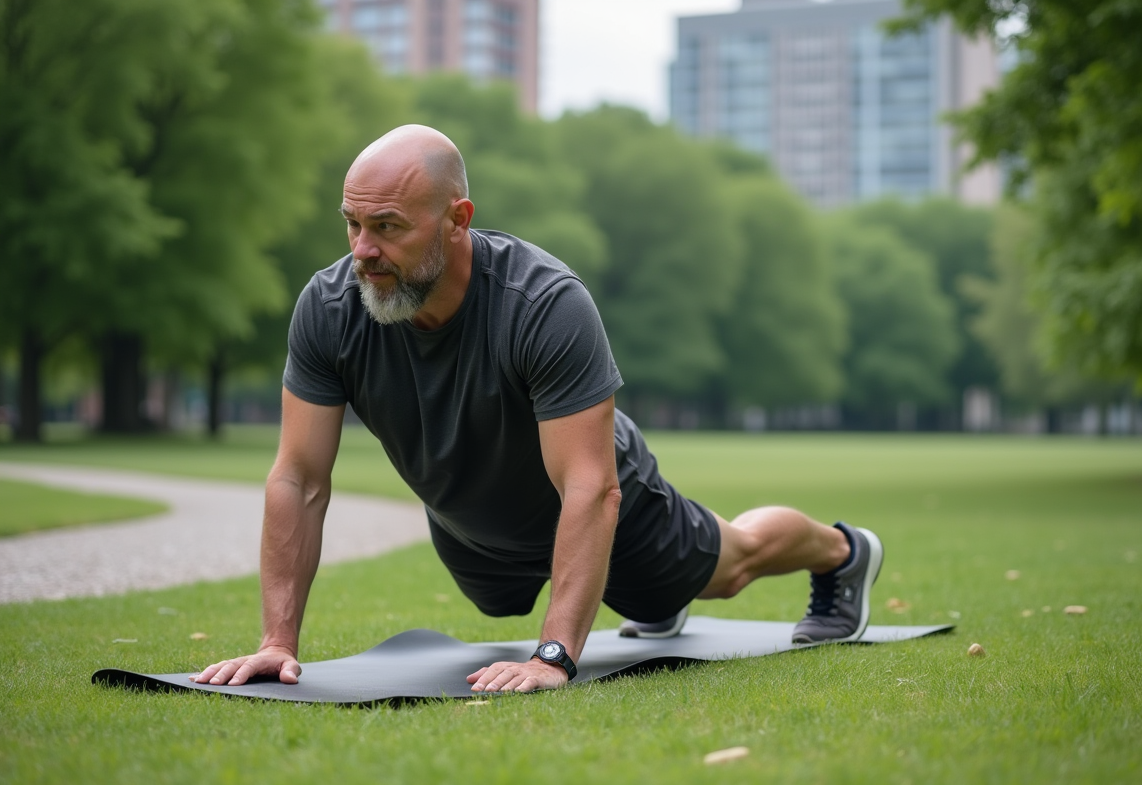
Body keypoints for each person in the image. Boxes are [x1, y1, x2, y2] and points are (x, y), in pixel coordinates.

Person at [192, 125, 884, 694]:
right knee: (498, 602)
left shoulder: (543, 303)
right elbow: (299, 479)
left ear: (457, 220)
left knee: (731, 565)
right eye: (351, 225)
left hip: (598, 492)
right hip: (476, 525)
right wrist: (276, 642)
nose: (363, 251)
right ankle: (636, 595)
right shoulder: (329, 307)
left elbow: (591, 486)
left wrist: (553, 655)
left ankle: (844, 552)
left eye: (387, 227)